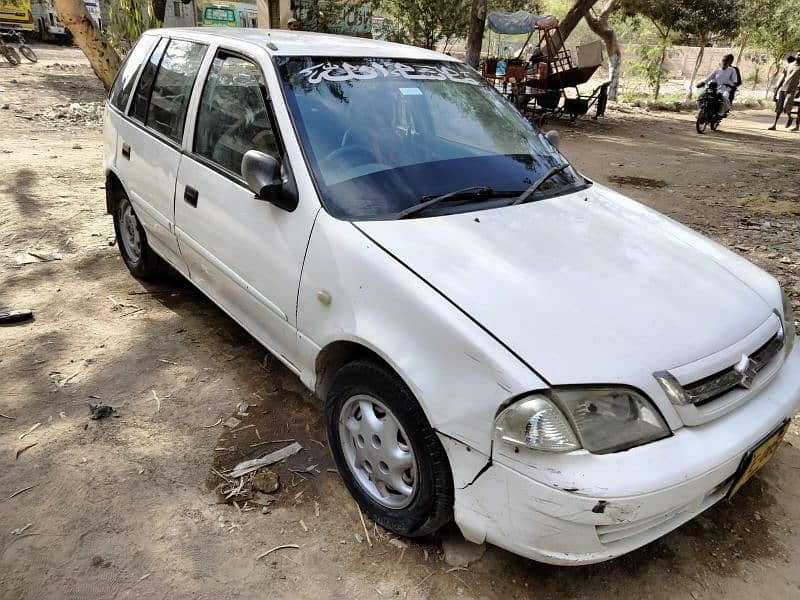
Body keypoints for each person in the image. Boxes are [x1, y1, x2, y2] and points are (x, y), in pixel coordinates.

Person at [768, 50, 800, 131]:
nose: (799, 57)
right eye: (798, 55)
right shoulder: (789, 65)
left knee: (786, 107)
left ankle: (790, 117)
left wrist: (798, 92)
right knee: (779, 108)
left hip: (792, 90)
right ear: (796, 55)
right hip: (783, 88)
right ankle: (774, 125)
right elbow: (782, 77)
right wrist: (777, 89)